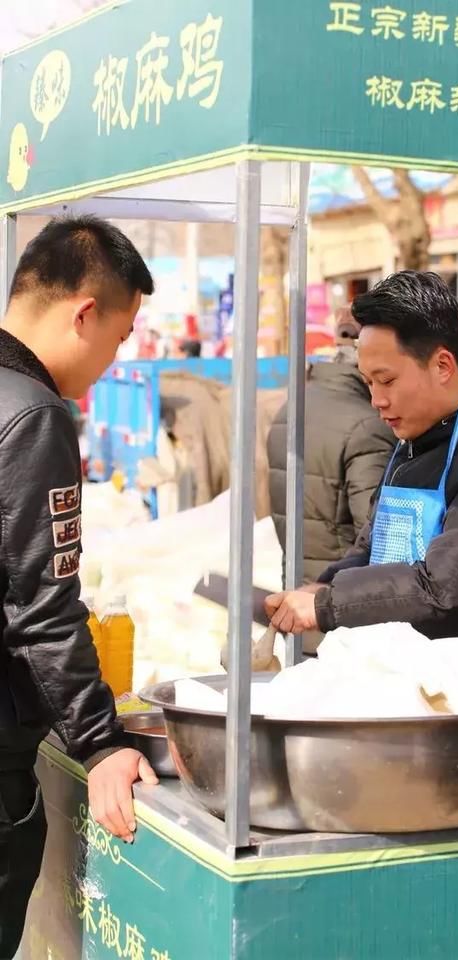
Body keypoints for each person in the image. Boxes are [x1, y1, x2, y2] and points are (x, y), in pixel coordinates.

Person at [265, 271, 458, 676]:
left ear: (442, 365)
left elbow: (449, 592)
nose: (376, 400)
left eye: (386, 380)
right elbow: (371, 547)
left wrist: (330, 604)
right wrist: (324, 585)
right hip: (408, 689)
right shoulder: (412, 444)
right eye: (368, 382)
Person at [0, 215, 158, 958]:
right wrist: (101, 744)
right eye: (121, 338)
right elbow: (41, 609)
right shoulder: (32, 415)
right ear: (84, 313)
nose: (113, 360)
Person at [267, 310, 395, 652]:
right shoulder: (367, 425)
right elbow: (379, 537)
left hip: (297, 604)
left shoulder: (289, 411)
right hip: (340, 617)